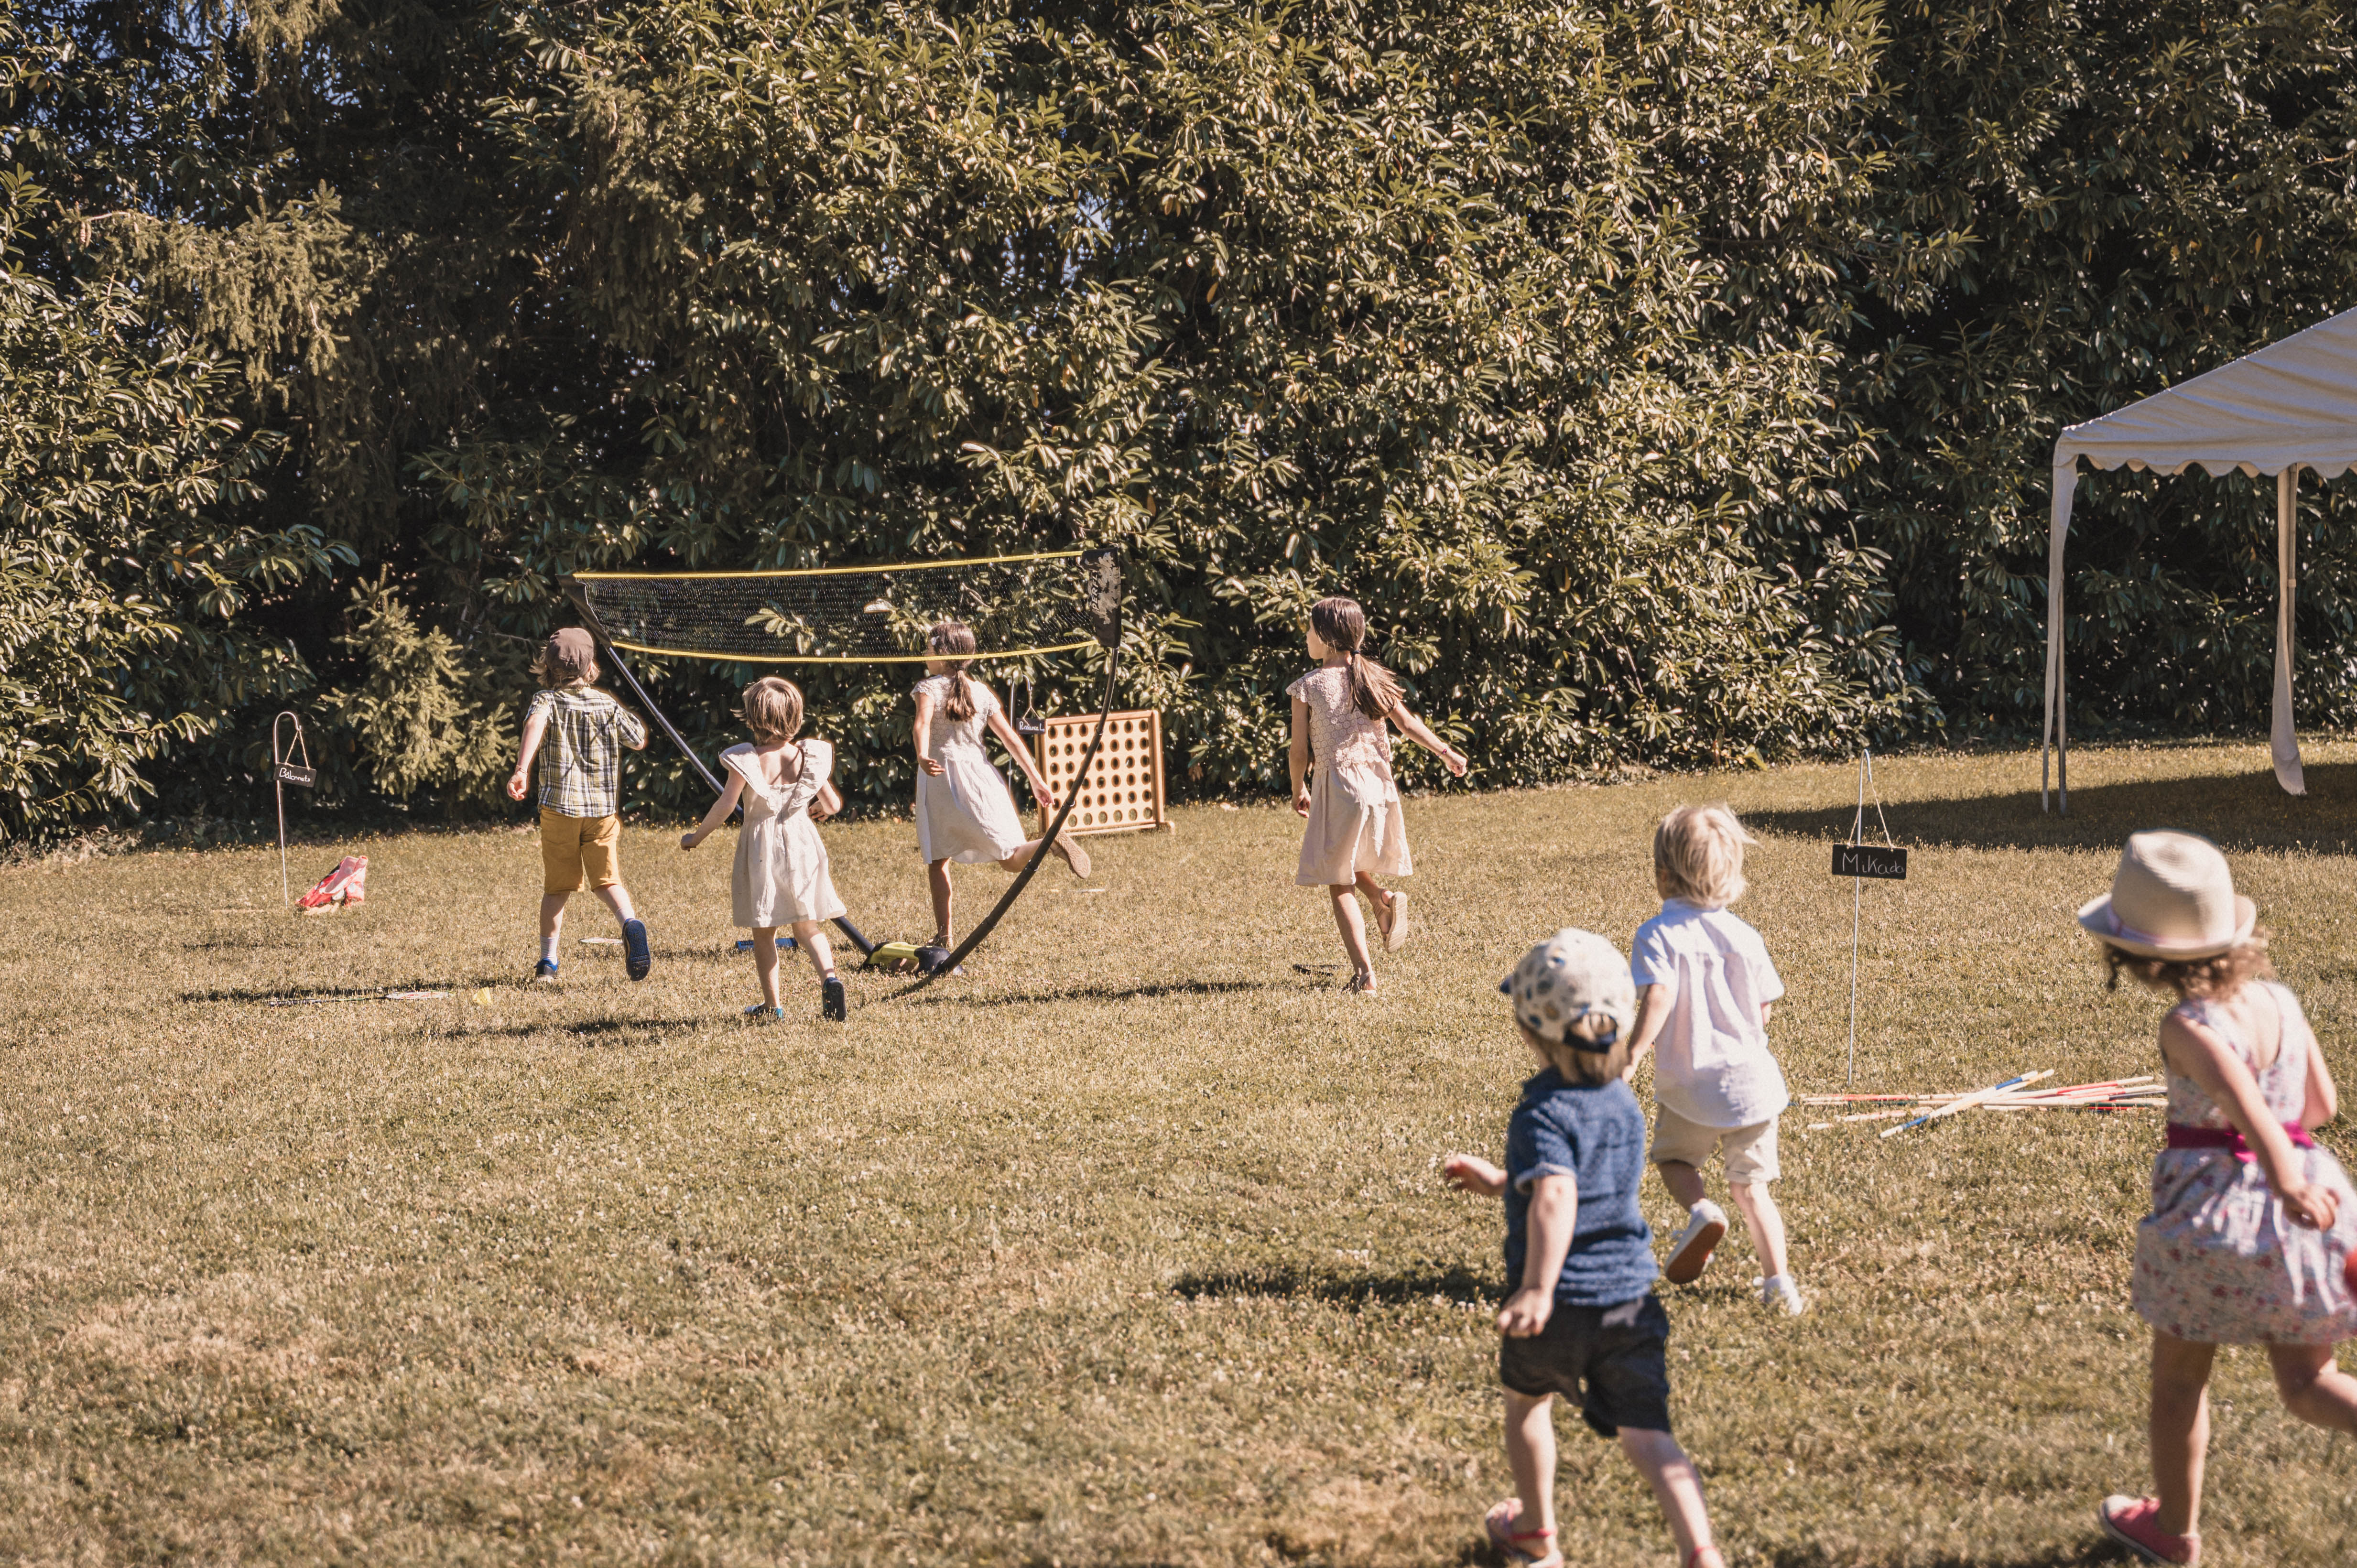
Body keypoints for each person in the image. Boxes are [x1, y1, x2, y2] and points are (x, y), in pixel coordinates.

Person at [2078, 830, 2357, 1566]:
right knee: (2307, 1382)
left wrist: (2277, 1175)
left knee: (2177, 1380)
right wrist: (2294, 1173)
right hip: (2309, 1196)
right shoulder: (2277, 999)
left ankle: (2172, 1535)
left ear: (2138, 956)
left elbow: (2247, 1105)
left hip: (2220, 1216)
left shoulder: (2185, 1023)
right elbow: (2317, 1104)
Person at [1444, 929, 1725, 1568]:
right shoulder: (1623, 1102)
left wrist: (1538, 1287)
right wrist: (1496, 1181)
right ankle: (1698, 1549)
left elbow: (1556, 1195)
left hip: (1561, 1305)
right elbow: (1569, 1181)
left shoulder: (1542, 1110)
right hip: (1628, 1302)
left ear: (1530, 1033)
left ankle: (1537, 1533)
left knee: (1525, 1405)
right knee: (1649, 1435)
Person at [1623, 805, 1801, 1315]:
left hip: (1689, 1083)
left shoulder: (1656, 934)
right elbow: (1763, 1009)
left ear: (1662, 875)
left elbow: (1657, 994)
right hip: (1752, 1085)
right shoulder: (1746, 936)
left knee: (1675, 1160)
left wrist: (1635, 1052)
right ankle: (1779, 1284)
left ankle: (1701, 1210)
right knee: (1753, 1190)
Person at [1284, 595, 1466, 994]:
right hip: (1378, 786)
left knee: (1338, 879)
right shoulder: (1374, 677)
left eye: (1310, 629)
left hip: (1339, 786)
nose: (1306, 636)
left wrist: (1298, 786)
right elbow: (1407, 724)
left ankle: (1364, 974)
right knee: (1344, 859)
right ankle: (1382, 901)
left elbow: (1299, 752)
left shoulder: (1307, 686)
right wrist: (1446, 752)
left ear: (1328, 638)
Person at [912, 621, 1090, 952]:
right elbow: (1010, 739)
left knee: (938, 861)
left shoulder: (928, 687)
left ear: (943, 653)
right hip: (981, 779)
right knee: (1009, 858)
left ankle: (943, 935)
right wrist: (1036, 779)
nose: (925, 653)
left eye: (928, 648)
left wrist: (922, 755)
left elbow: (921, 723)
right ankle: (1050, 844)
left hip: (941, 780)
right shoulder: (981, 691)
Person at [680, 676, 848, 1022]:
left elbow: (726, 806)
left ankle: (773, 1007)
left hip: (762, 847)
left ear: (753, 719)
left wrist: (696, 837)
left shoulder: (747, 759)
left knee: (764, 931)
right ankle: (830, 978)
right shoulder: (807, 755)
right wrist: (816, 808)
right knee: (807, 926)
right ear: (796, 717)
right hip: (801, 842)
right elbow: (831, 803)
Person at [505, 627, 652, 984]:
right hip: (601, 811)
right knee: (607, 880)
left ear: (548, 665)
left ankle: (548, 963)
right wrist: (613, 707)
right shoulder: (605, 703)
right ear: (590, 666)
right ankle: (630, 923)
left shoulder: (547, 700)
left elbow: (535, 725)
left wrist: (522, 768)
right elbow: (638, 740)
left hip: (560, 809)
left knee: (558, 888)